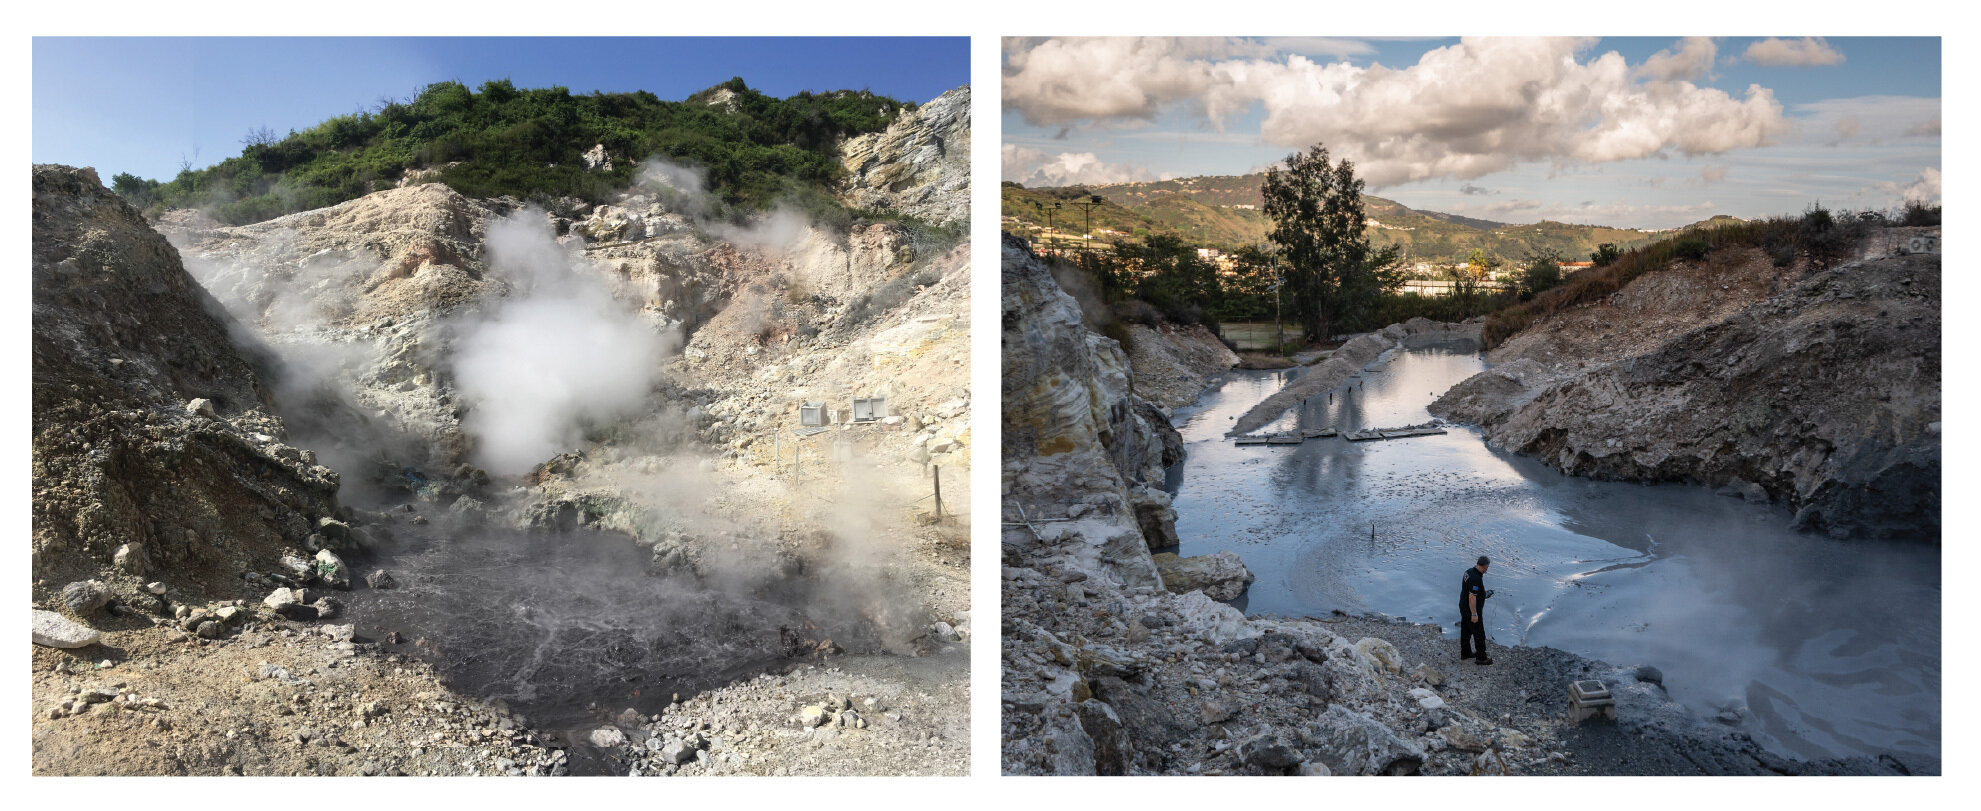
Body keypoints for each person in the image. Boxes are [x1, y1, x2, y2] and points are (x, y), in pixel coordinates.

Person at [1459, 555, 1493, 665]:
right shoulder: (1476, 578)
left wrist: (1483, 593)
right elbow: (1472, 597)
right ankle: (1481, 658)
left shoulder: (1468, 572)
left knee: (1466, 630)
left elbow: (1471, 590)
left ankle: (1466, 652)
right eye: (1487, 567)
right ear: (1484, 566)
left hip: (1463, 606)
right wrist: (1474, 614)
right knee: (1479, 633)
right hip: (1471, 609)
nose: (1487, 570)